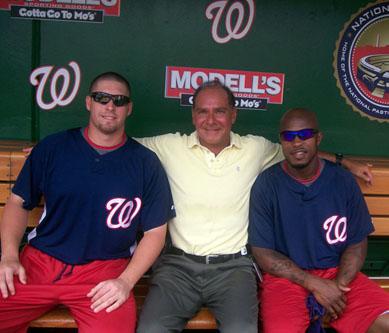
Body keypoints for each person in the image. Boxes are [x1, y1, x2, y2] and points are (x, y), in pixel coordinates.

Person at [136, 81, 373, 333]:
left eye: (220, 111)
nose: (211, 119)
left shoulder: (255, 148)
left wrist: (346, 162)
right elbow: (121, 146)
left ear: (234, 114)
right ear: (193, 116)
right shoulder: (169, 146)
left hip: (233, 269)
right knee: (151, 328)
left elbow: (300, 150)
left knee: (242, 329)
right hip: (178, 268)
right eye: (203, 111)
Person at [0, 72, 175, 333]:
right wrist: (10, 256)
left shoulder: (145, 163)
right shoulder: (54, 147)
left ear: (129, 108)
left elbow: (155, 232)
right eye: (101, 97)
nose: (110, 106)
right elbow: (18, 201)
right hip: (39, 264)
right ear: (88, 102)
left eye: (119, 100)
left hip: (105, 271)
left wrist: (125, 282)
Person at [248, 108, 389, 332]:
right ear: (281, 141)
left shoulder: (342, 180)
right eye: (289, 136)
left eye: (304, 135)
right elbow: (264, 254)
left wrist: (339, 285)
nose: (296, 142)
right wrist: (314, 284)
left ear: (318, 138)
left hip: (338, 274)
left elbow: (357, 242)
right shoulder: (267, 184)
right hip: (287, 279)